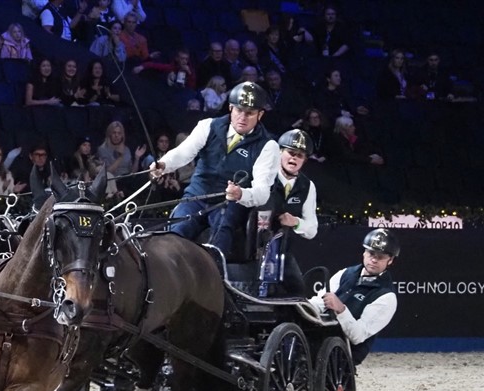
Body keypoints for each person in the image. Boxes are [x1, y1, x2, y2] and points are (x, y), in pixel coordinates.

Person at [150, 82, 278, 255]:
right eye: (239, 110)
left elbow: (262, 191)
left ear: (260, 114)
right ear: (231, 108)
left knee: (221, 232)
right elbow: (184, 152)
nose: (243, 117)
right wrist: (164, 164)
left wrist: (241, 194)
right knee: (176, 230)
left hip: (230, 201)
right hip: (197, 194)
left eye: (249, 113)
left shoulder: (267, 145)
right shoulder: (208, 126)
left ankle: (218, 276)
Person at [308, 229, 399, 364]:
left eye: (380, 257)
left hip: (344, 352)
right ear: (364, 253)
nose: (373, 260)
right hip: (318, 335)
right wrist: (304, 307)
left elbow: (358, 336)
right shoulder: (346, 273)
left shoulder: (386, 297)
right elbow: (319, 302)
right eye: (371, 253)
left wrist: (341, 309)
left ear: (390, 260)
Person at [256, 129, 318, 297]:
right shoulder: (263, 175)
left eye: (300, 155)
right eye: (290, 153)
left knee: (298, 291)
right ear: (280, 152)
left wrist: (296, 222)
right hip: (255, 248)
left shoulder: (307, 186)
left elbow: (312, 229)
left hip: (282, 253)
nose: (294, 158)